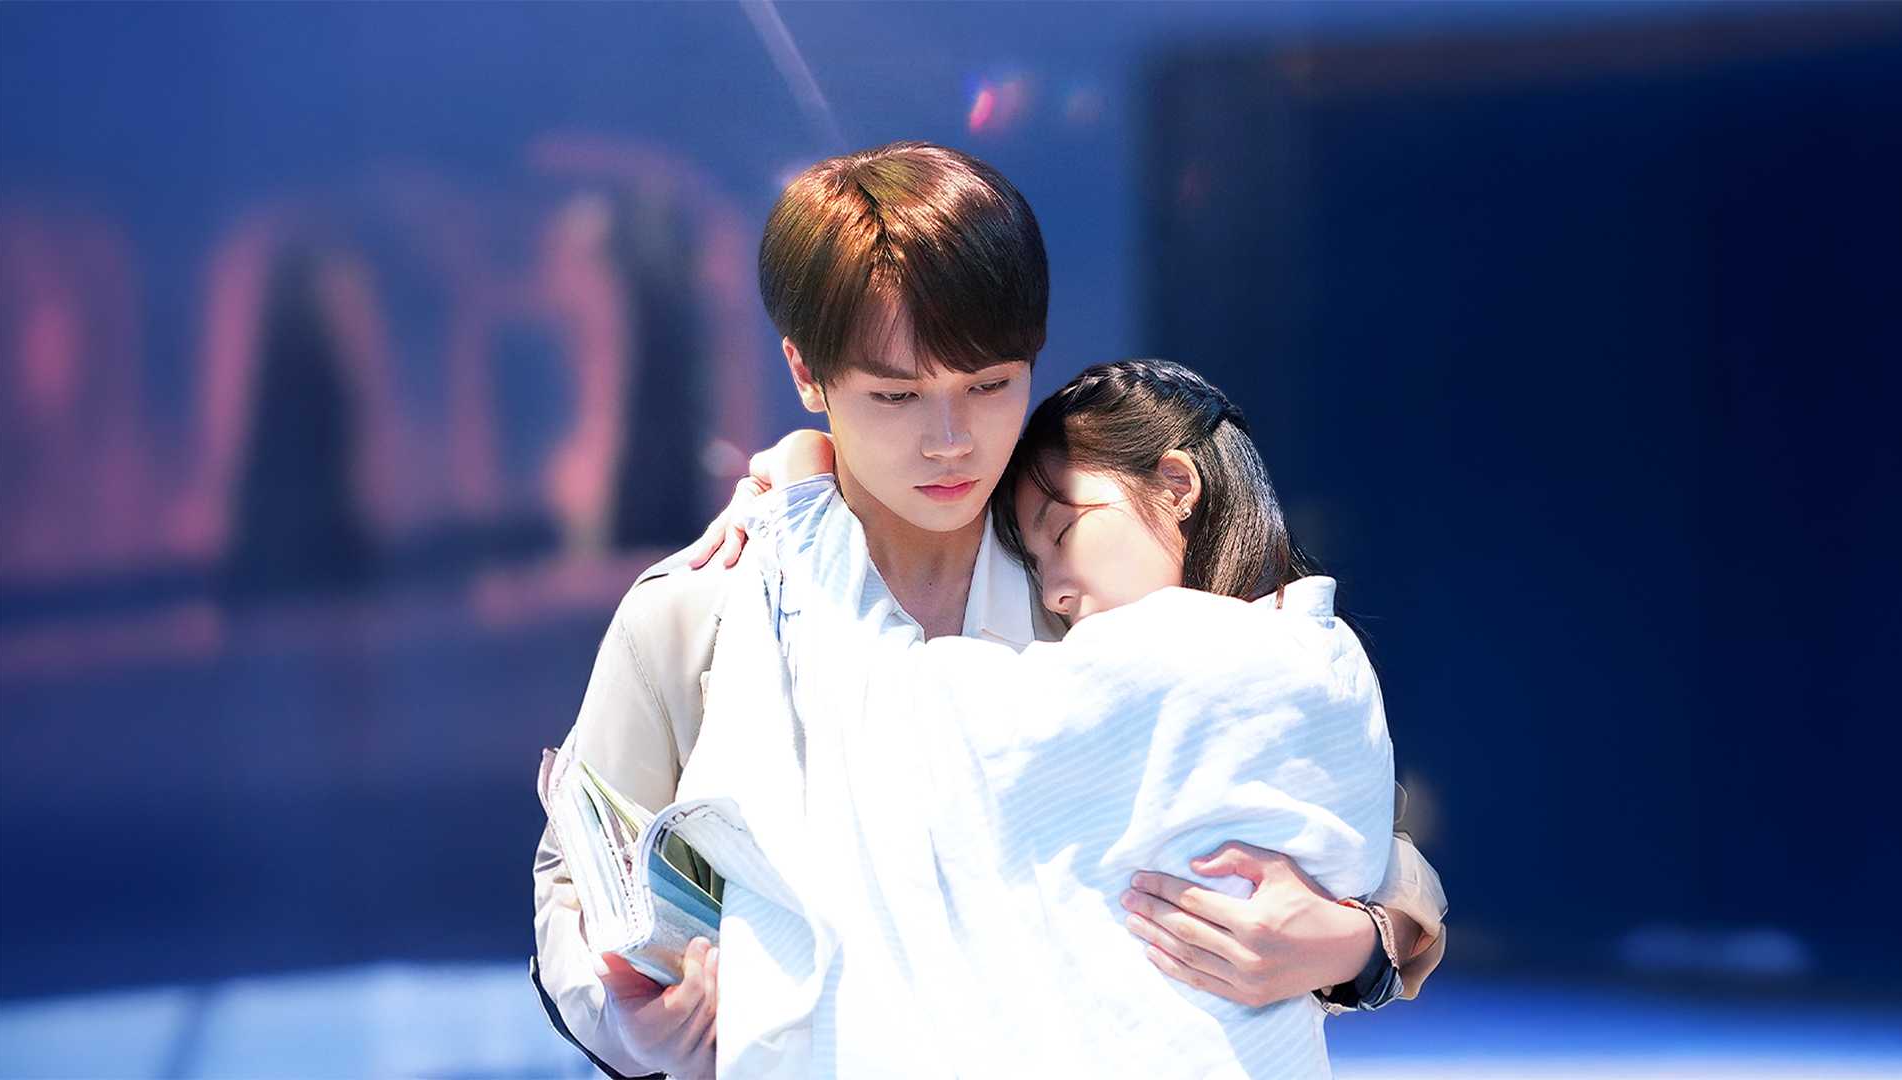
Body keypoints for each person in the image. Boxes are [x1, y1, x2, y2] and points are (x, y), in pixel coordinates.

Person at [531, 142, 1447, 1079]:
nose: (951, 441)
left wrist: (1355, 945)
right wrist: (634, 1030)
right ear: (807, 373)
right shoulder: (699, 613)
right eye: (895, 396)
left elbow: (1343, 822)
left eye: (991, 384)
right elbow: (576, 890)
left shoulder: (1095, 573)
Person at [689, 357, 1404, 1075]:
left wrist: (807, 495)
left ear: (1176, 486)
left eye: (1062, 534)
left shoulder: (1189, 655)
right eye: (1033, 565)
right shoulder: (1330, 657)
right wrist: (1362, 944)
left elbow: (889, 702)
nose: (1055, 592)